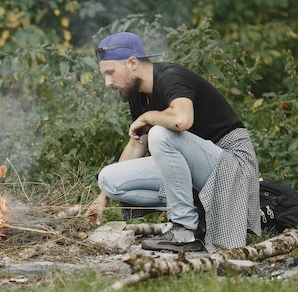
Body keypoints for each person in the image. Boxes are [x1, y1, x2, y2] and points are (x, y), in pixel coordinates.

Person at [87, 32, 261, 252]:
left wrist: (149, 117)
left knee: (160, 133)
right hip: (198, 168)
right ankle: (196, 217)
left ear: (132, 63)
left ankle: (185, 231)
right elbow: (137, 143)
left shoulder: (170, 77)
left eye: (110, 73)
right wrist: (103, 197)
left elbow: (182, 120)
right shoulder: (138, 94)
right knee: (109, 179)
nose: (107, 82)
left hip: (231, 163)